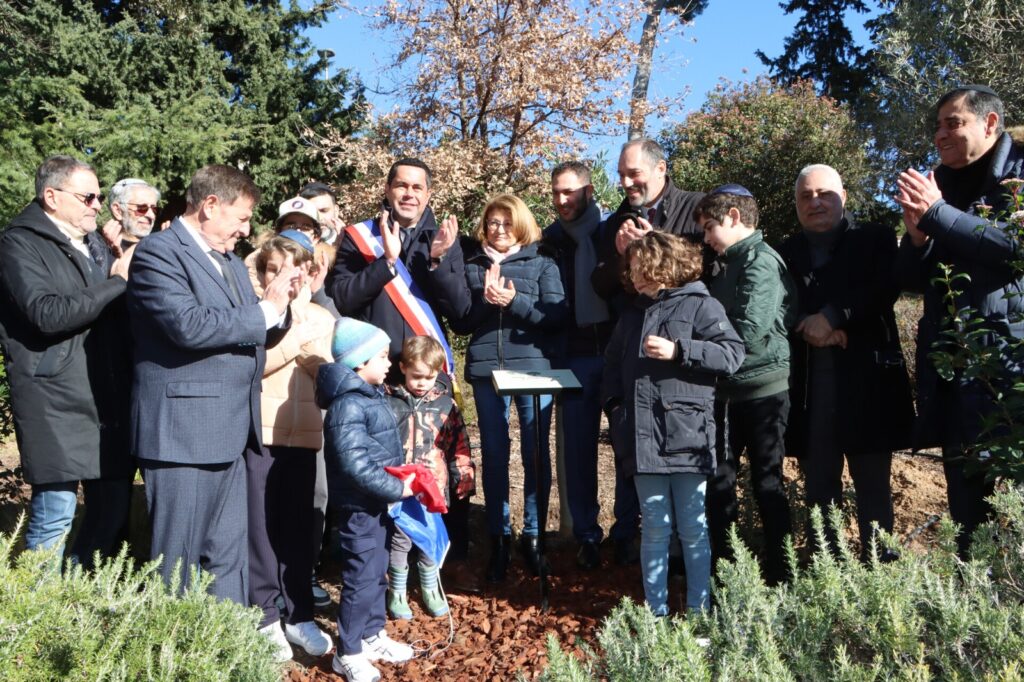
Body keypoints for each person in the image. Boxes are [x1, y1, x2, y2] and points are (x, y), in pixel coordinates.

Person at [126, 165, 299, 612]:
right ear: (209, 206)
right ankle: (175, 661)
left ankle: (226, 656)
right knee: (177, 565)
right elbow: (187, 326)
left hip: (230, 430)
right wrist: (265, 311)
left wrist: (280, 310)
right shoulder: (158, 253)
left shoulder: (226, 262)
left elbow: (247, 329)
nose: (246, 230)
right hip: (183, 435)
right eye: (241, 218)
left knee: (227, 558)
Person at [895, 85, 1024, 556]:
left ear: (990, 124)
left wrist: (937, 213)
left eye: (954, 123)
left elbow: (1013, 249)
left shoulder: (1018, 173)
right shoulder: (940, 186)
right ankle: (973, 614)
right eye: (938, 126)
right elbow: (911, 281)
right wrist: (917, 238)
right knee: (967, 512)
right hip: (950, 371)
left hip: (1007, 372)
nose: (941, 135)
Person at [0, 155, 135, 566]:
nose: (98, 204)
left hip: (102, 396)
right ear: (52, 196)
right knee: (54, 517)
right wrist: (117, 281)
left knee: (110, 511)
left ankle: (76, 606)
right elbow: (47, 313)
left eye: (98, 195)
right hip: (54, 399)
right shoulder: (18, 244)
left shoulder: (88, 243)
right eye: (88, 196)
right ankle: (39, 620)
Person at [601, 231, 745, 615]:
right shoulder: (632, 312)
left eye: (642, 270)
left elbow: (732, 355)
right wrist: (616, 409)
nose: (635, 279)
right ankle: (655, 614)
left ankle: (700, 613)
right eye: (632, 272)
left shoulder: (701, 305)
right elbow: (612, 364)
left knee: (693, 530)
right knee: (654, 529)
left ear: (665, 266)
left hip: (687, 438)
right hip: (641, 438)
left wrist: (680, 351)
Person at [779, 165, 915, 560]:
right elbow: (780, 304)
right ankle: (830, 573)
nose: (815, 202)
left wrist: (838, 318)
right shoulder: (786, 252)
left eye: (824, 193)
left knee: (873, 484)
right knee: (819, 486)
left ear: (844, 197)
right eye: (805, 196)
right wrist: (812, 325)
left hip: (867, 382)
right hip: (810, 385)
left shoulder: (873, 238)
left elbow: (884, 288)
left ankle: (881, 573)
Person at [591, 138, 706, 564]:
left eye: (633, 173)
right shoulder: (614, 221)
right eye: (621, 174)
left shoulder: (696, 207)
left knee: (678, 453)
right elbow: (599, 284)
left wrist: (654, 243)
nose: (625, 182)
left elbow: (706, 268)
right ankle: (628, 538)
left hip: (681, 352)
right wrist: (622, 256)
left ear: (661, 169)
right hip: (633, 347)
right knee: (629, 443)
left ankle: (680, 553)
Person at [448, 194, 568, 583]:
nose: (499, 229)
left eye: (507, 222)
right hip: (487, 372)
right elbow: (463, 322)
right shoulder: (472, 265)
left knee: (535, 454)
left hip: (535, 371)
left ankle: (533, 538)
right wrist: (487, 301)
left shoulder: (543, 262)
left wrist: (514, 301)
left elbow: (556, 318)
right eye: (493, 222)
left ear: (522, 224)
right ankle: (499, 538)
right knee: (496, 455)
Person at [698, 184, 796, 584]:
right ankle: (728, 576)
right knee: (719, 484)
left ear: (734, 218)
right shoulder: (725, 262)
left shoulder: (761, 262)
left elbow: (749, 331)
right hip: (724, 393)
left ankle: (780, 575)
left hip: (762, 392)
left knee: (766, 483)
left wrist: (694, 347)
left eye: (709, 228)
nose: (705, 239)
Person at [248, 232, 336, 661]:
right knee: (261, 530)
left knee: (300, 530)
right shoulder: (251, 314)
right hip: (259, 436)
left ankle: (299, 613)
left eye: (293, 269)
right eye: (274, 269)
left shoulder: (321, 316)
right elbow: (254, 364)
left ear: (307, 272)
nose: (285, 277)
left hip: (305, 437)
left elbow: (324, 367)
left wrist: (305, 345)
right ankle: (265, 615)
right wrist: (296, 341)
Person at [317, 317, 416, 682]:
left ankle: (373, 634)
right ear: (360, 362)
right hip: (359, 507)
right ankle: (348, 652)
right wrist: (396, 488)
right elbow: (354, 463)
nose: (390, 363)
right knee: (360, 577)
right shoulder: (348, 405)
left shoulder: (367, 396)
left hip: (375, 504)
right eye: (383, 356)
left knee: (376, 573)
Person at [327, 158, 469, 385]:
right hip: (375, 372)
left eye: (417, 188)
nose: (409, 194)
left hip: (428, 376)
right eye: (401, 185)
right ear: (387, 189)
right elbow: (344, 300)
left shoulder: (445, 240)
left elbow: (460, 314)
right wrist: (387, 262)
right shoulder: (358, 237)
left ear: (428, 194)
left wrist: (437, 262)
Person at [543, 161, 614, 570]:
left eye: (569, 192)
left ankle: (627, 529)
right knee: (578, 450)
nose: (562, 200)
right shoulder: (550, 240)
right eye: (556, 192)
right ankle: (587, 535)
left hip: (617, 350)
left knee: (625, 447)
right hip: (573, 355)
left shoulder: (612, 233)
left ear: (588, 192)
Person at [385, 335, 475, 619]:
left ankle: (430, 585)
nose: (422, 382)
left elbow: (459, 443)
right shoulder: (389, 400)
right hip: (400, 483)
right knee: (400, 538)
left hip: (433, 485)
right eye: (416, 376)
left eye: (428, 376)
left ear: (438, 373)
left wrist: (463, 474)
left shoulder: (446, 405)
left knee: (429, 536)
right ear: (402, 368)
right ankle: (397, 590)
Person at [102, 178, 161, 253]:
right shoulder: (101, 251)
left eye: (154, 209)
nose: (151, 216)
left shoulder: (160, 249)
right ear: (118, 211)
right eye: (142, 208)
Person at [300, 181, 343, 245]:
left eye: (324, 211)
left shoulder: (355, 245)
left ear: (336, 211)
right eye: (312, 213)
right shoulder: (294, 250)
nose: (319, 218)